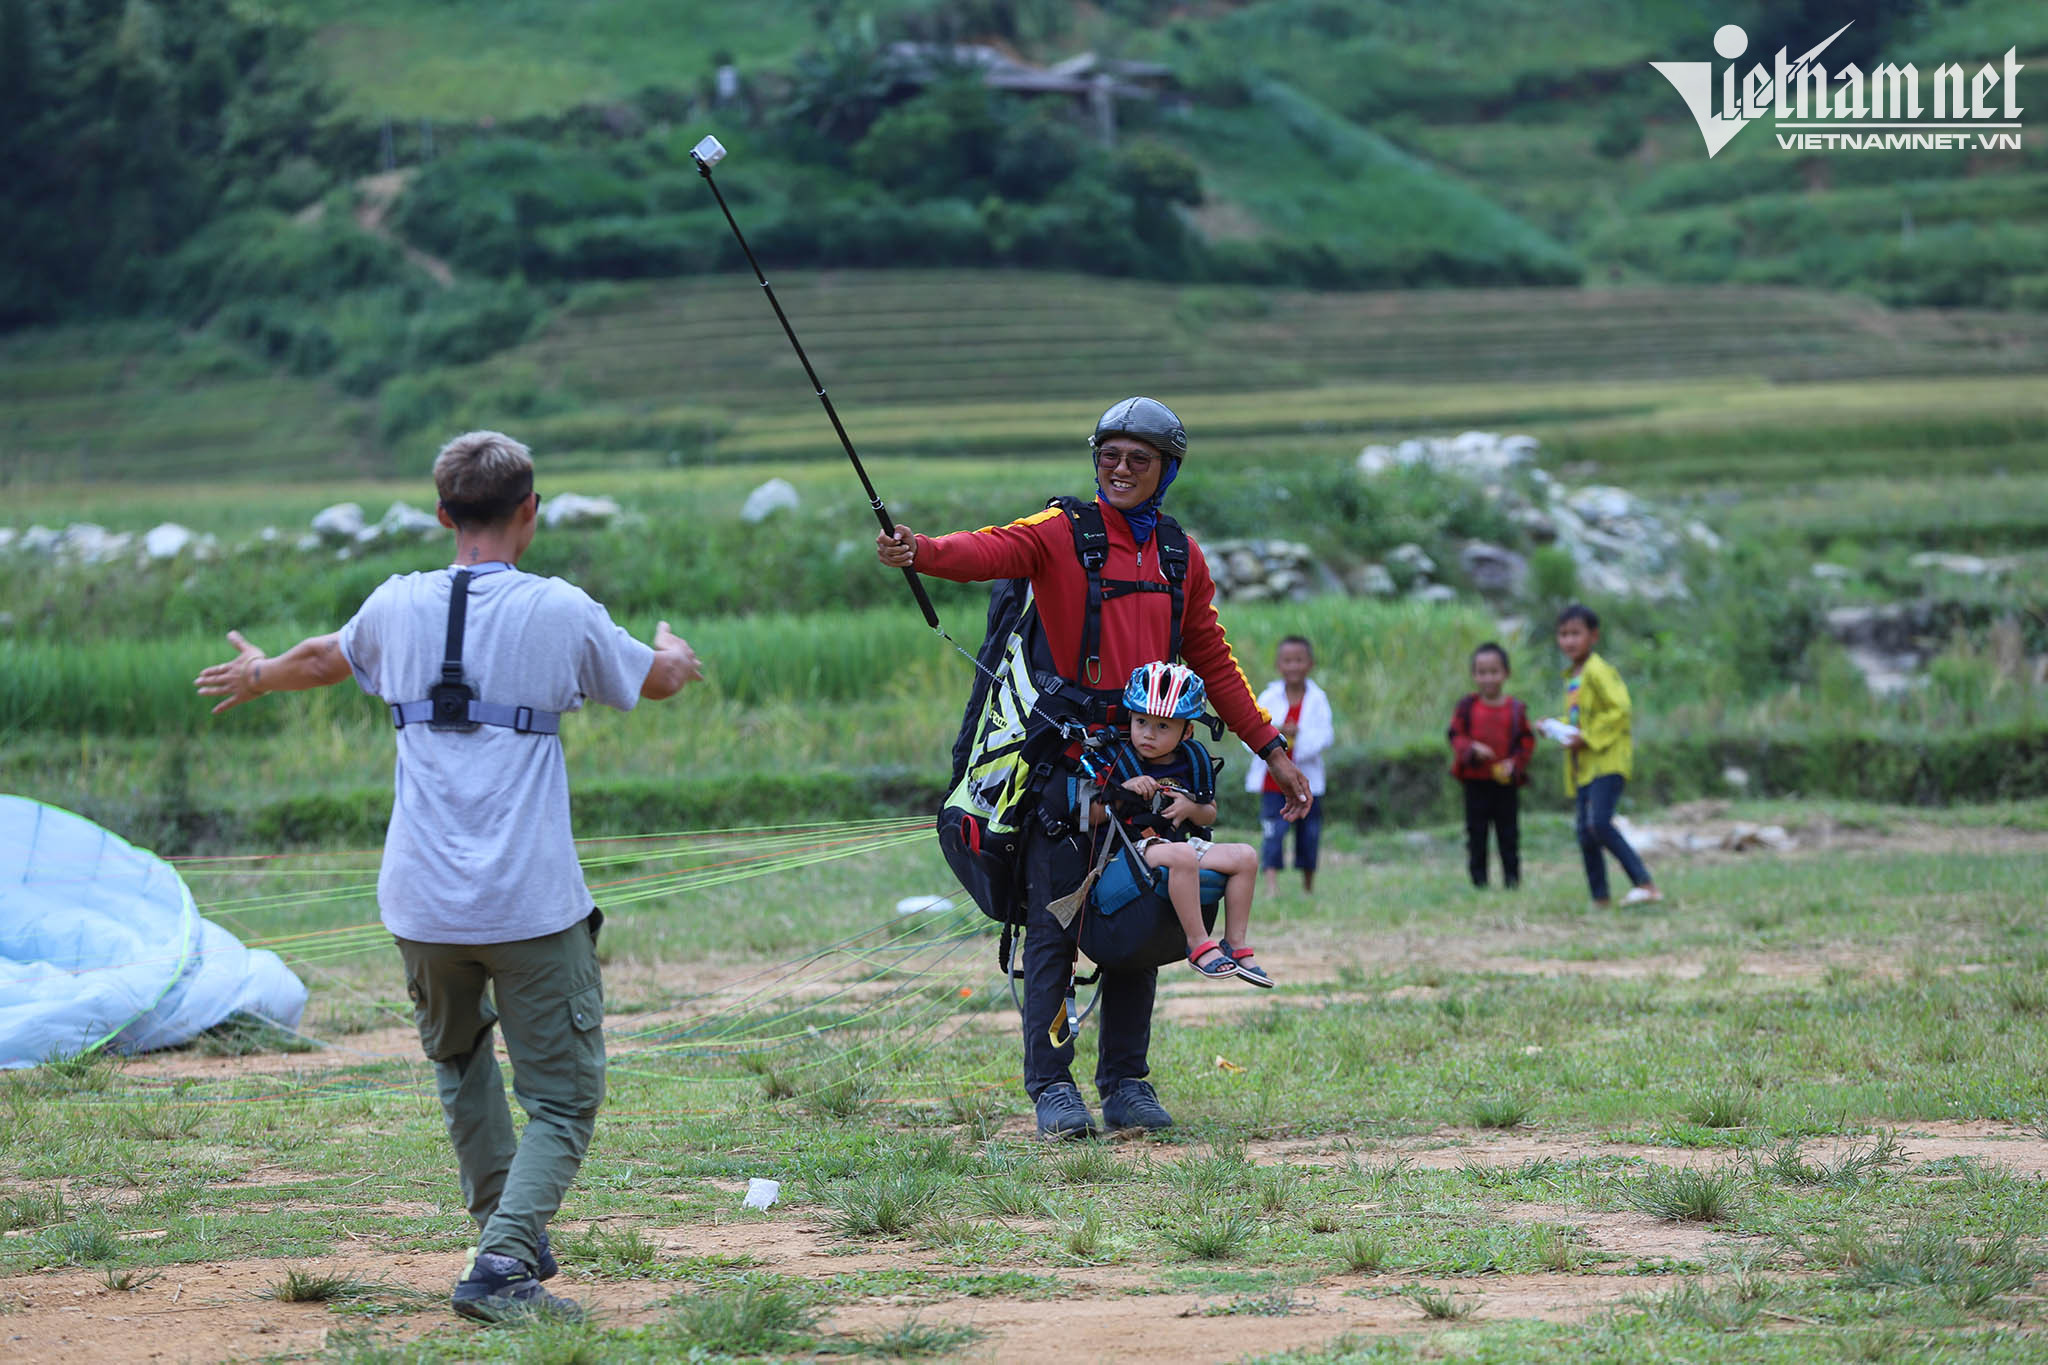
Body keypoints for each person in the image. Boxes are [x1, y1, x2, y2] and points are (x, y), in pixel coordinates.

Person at [194, 431, 702, 1321]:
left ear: (442, 514)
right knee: (564, 1096)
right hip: (528, 902)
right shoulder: (559, 608)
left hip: (421, 903)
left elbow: (323, 656)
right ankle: (502, 1264)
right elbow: (655, 678)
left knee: (462, 1063)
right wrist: (678, 654)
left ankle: (507, 1229)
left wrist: (260, 674)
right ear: (529, 510)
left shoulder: (393, 604)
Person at [876, 396, 1311, 1139]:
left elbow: (1212, 657)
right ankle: (1053, 1085)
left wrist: (1271, 748)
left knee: (1138, 917)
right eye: (1109, 455)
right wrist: (921, 550)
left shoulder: (1179, 555)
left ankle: (1126, 1083)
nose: (1121, 469)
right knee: (1057, 922)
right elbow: (989, 550)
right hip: (1069, 766)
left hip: (1154, 765)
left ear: (1167, 469)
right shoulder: (1061, 531)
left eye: (1139, 459)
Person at [1106, 662, 1268, 987]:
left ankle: (1234, 943)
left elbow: (1210, 813)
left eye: (1163, 726)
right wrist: (1124, 790)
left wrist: (1192, 807)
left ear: (1187, 731)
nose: (1149, 733)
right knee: (1181, 856)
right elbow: (1097, 812)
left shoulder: (1192, 761)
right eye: (1141, 722)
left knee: (1246, 857)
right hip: (1135, 847)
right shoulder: (1120, 760)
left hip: (1180, 844)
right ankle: (1198, 943)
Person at [1551, 604, 1660, 908]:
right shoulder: (1573, 677)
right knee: (1585, 832)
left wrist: (1586, 737)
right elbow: (1581, 719)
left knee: (1599, 823)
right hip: (1585, 767)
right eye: (1563, 634)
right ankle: (1600, 899)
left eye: (1576, 633)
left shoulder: (1598, 670)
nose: (1569, 641)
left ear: (1593, 636)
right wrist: (1557, 728)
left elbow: (1619, 710)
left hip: (1608, 761)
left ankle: (1645, 884)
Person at [1244, 635, 1333, 896]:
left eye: (1299, 660)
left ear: (1310, 664)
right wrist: (1277, 735)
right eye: (1288, 661)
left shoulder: (1318, 699)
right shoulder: (1269, 697)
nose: (1293, 666)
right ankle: (1272, 886)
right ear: (1278, 665)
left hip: (1307, 780)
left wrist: (1298, 736)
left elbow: (1325, 736)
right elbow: (1250, 731)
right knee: (1273, 831)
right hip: (1272, 782)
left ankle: (1308, 886)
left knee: (1309, 833)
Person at [1447, 642, 1534, 890]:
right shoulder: (1467, 707)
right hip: (1475, 782)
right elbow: (1455, 735)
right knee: (1476, 833)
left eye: (1494, 672)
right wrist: (1471, 748)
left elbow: (1526, 742)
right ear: (1474, 675)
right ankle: (1479, 882)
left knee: (1509, 833)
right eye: (1482, 672)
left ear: (1506, 673)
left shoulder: (1516, 709)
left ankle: (1512, 880)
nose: (1488, 678)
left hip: (1506, 782)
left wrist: (1514, 763)